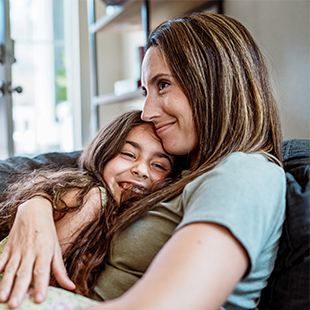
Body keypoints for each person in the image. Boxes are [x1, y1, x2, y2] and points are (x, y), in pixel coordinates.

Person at [0, 12, 286, 310]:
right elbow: (90, 173)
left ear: (213, 82)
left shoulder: (244, 174)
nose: (147, 112)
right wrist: (36, 205)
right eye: (146, 91)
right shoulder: (184, 172)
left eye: (163, 84)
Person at [0, 110, 182, 306]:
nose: (142, 170)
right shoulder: (92, 196)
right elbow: (43, 277)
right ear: (105, 153)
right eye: (129, 154)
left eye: (159, 166)